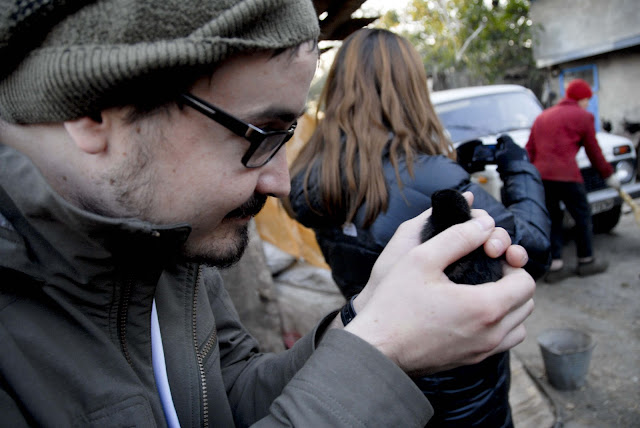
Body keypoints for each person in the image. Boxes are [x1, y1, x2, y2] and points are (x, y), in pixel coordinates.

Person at [0, 2, 536, 426]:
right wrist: (382, 353)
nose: (280, 182)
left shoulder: (168, 243)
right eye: (261, 134)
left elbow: (229, 395)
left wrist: (369, 312)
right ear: (94, 108)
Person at [287, 28, 550, 427]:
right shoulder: (432, 176)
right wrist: (519, 167)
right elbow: (536, 250)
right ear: (410, 88)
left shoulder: (310, 179)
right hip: (464, 389)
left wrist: (455, 170)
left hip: (383, 379)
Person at [526, 78, 620, 283]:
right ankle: (586, 261)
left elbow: (529, 150)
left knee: (552, 218)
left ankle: (555, 265)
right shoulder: (583, 117)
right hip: (567, 176)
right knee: (582, 216)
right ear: (581, 98)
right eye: (587, 99)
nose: (587, 103)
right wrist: (608, 174)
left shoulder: (543, 116)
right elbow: (594, 152)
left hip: (542, 178)